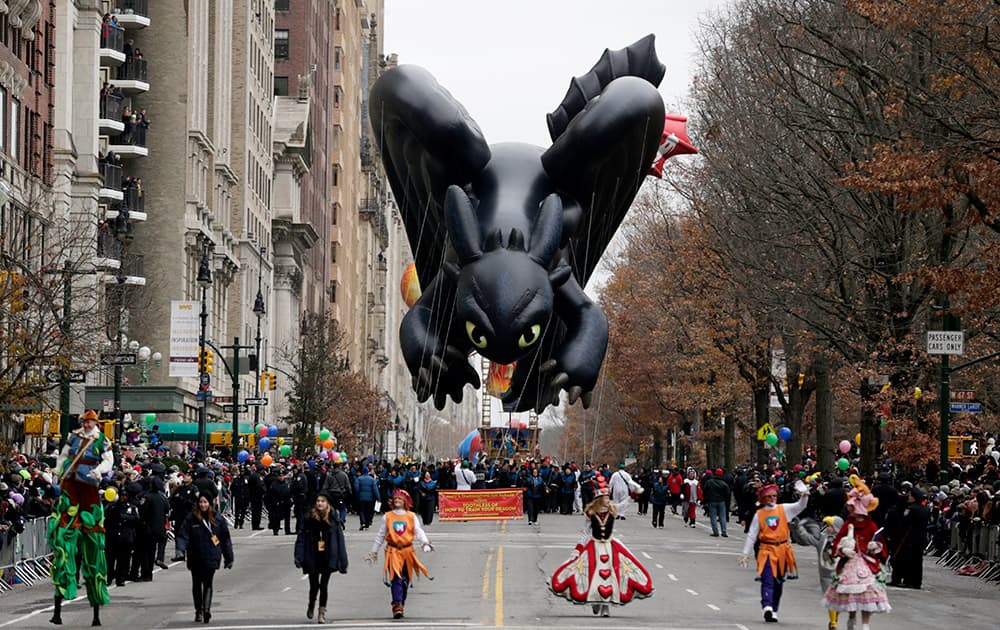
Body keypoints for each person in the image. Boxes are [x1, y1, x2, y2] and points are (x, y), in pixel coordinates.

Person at [550, 475, 654, 616]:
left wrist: (634, 492)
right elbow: (586, 533)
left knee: (611, 575)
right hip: (594, 546)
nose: (608, 500)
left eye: (608, 498)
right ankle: (597, 602)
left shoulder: (612, 510)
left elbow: (626, 503)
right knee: (594, 574)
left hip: (610, 546)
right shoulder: (591, 513)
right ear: (599, 499)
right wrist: (578, 549)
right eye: (605, 498)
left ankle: (606, 606)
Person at [49, 409, 113, 626]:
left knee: (93, 540)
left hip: (89, 488)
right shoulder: (73, 436)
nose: (87, 425)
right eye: (85, 422)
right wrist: (57, 472)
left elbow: (108, 460)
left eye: (90, 422)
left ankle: (96, 608)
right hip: (70, 486)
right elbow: (64, 455)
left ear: (96, 422)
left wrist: (100, 471)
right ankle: (60, 601)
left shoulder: (102, 439)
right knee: (64, 536)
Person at [822, 476, 890, 630]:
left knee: (869, 594)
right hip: (849, 564)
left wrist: (876, 546)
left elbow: (881, 546)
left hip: (868, 564)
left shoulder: (871, 525)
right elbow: (838, 541)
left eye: (852, 506)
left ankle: (865, 624)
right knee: (851, 594)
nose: (850, 509)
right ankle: (852, 619)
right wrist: (842, 550)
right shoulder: (848, 523)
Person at [738, 479, 809, 623]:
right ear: (763, 499)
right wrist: (745, 554)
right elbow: (752, 534)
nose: (772, 499)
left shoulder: (784, 509)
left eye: (774, 496)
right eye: (769, 497)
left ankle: (774, 609)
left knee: (778, 582)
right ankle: (767, 607)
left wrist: (804, 494)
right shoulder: (759, 514)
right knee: (768, 579)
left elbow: (801, 506)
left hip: (783, 550)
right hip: (766, 550)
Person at [365, 489, 433, 619]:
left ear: (405, 501)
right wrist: (374, 551)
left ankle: (401, 600)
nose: (397, 500)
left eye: (400, 499)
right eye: (395, 498)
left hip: (408, 551)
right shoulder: (387, 516)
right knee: (396, 577)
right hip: (393, 551)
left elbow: (418, 532)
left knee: (405, 579)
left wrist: (425, 543)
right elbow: (380, 535)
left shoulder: (411, 516)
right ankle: (397, 605)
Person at [176, 492, 234, 623]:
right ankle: (199, 610)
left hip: (211, 555)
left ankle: (206, 609)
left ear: (210, 503)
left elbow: (225, 539)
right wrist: (180, 550)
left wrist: (229, 558)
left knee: (208, 582)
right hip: (195, 556)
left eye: (205, 502)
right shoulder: (191, 518)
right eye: (201, 502)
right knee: (196, 584)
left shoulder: (218, 519)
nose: (203, 505)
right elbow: (183, 535)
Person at [294, 492, 348, 624]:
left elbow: (340, 540)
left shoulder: (333, 518)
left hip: (328, 555)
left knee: (324, 585)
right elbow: (301, 538)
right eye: (318, 501)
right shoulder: (309, 519)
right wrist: (299, 556)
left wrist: (343, 560)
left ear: (327, 503)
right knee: (314, 585)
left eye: (323, 501)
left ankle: (322, 611)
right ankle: (311, 603)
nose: (320, 503)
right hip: (312, 554)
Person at [795, 515, 844, 630]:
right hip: (825, 575)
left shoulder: (844, 540)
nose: (828, 528)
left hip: (841, 574)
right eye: (827, 526)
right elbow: (808, 538)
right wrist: (799, 528)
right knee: (830, 597)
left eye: (831, 526)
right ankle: (833, 623)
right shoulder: (822, 538)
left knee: (839, 599)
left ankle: (835, 618)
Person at [889, 486, 928, 589]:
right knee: (918, 560)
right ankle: (916, 581)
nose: (908, 497)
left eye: (910, 495)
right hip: (921, 538)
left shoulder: (911, 509)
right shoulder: (925, 509)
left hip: (909, 538)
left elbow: (904, 523)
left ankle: (908, 580)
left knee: (908, 560)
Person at [702, 469, 731, 537]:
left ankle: (715, 531)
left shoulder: (709, 482)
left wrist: (706, 499)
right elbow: (728, 493)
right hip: (721, 501)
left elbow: (705, 491)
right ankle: (724, 531)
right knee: (722, 516)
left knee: (713, 517)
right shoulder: (724, 484)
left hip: (712, 501)